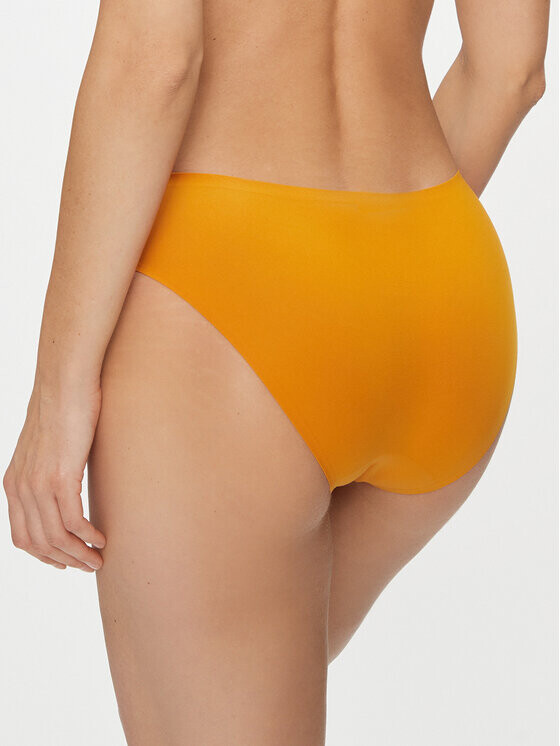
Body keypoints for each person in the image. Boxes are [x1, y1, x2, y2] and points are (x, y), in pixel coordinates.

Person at [3, 0, 550, 743]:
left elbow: (153, 63)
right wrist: (374, 272)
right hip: (444, 281)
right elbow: (512, 69)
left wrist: (57, 393)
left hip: (228, 302)